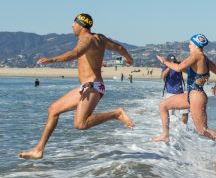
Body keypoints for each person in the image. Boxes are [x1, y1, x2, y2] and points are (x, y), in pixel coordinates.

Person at [19, 13, 135, 160]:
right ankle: (39, 149)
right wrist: (128, 58)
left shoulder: (86, 40)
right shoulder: (100, 38)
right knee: (53, 110)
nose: (72, 26)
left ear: (81, 25)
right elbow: (118, 47)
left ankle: (116, 114)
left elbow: (74, 53)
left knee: (80, 124)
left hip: (93, 86)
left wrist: (52, 59)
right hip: (87, 86)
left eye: (74, 23)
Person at [156, 34, 216, 143]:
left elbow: (178, 68)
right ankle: (165, 135)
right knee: (163, 105)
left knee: (202, 130)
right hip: (191, 94)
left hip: (196, 96)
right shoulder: (204, 59)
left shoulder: (197, 56)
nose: (189, 46)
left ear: (196, 45)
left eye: (190, 44)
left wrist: (164, 62)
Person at [150, 54, 189, 142]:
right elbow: (162, 77)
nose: (173, 62)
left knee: (185, 112)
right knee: (169, 115)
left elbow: (186, 70)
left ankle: (183, 130)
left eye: (173, 61)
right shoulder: (165, 67)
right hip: (170, 94)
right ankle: (169, 133)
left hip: (180, 93)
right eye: (171, 61)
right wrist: (169, 66)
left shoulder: (178, 67)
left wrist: (177, 65)